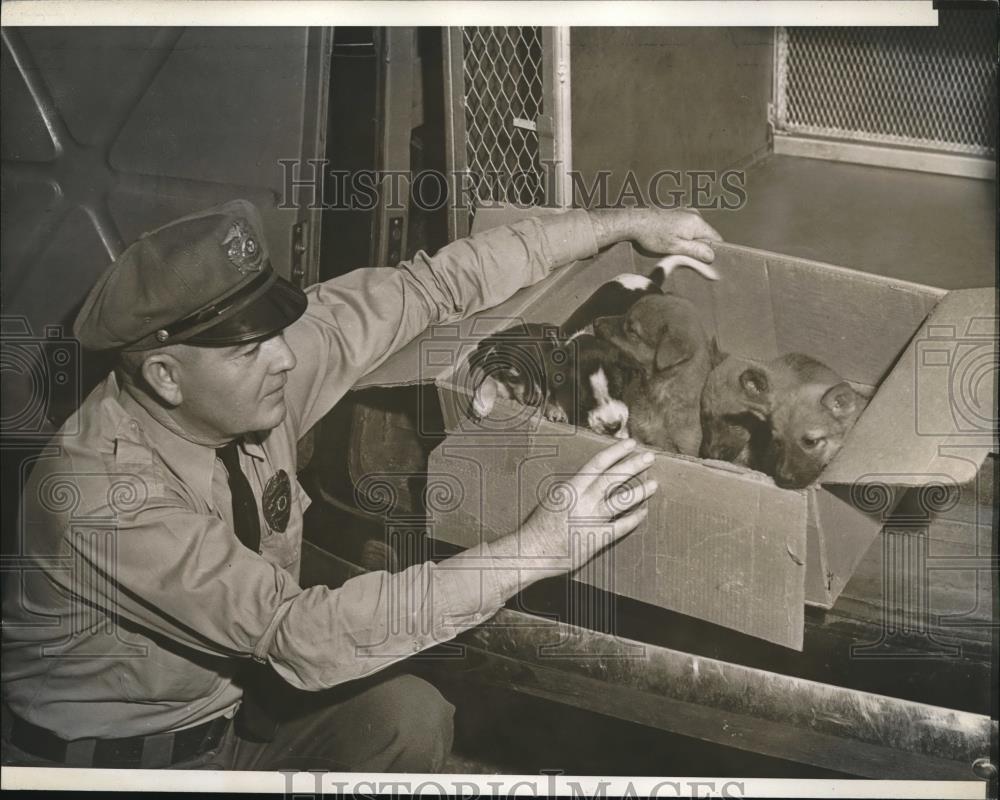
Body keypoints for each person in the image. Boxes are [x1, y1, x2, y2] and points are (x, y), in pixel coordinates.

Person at [1, 199, 721, 771]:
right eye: (254, 350)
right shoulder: (98, 497)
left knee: (405, 719)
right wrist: (535, 549)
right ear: (164, 377)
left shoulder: (242, 382)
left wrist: (623, 224)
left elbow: (429, 287)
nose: (287, 359)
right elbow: (298, 633)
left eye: (278, 333)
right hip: (116, 768)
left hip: (234, 715)